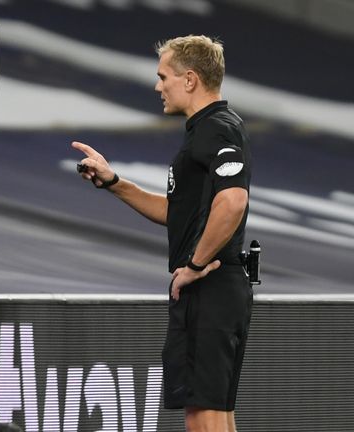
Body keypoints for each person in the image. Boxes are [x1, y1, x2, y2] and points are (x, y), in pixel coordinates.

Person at [73, 35, 252, 432]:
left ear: (190, 80)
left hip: (210, 287)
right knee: (215, 415)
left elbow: (233, 202)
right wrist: (114, 181)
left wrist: (194, 265)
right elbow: (179, 213)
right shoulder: (212, 129)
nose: (158, 86)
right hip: (218, 288)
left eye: (163, 76)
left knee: (203, 416)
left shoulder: (215, 130)